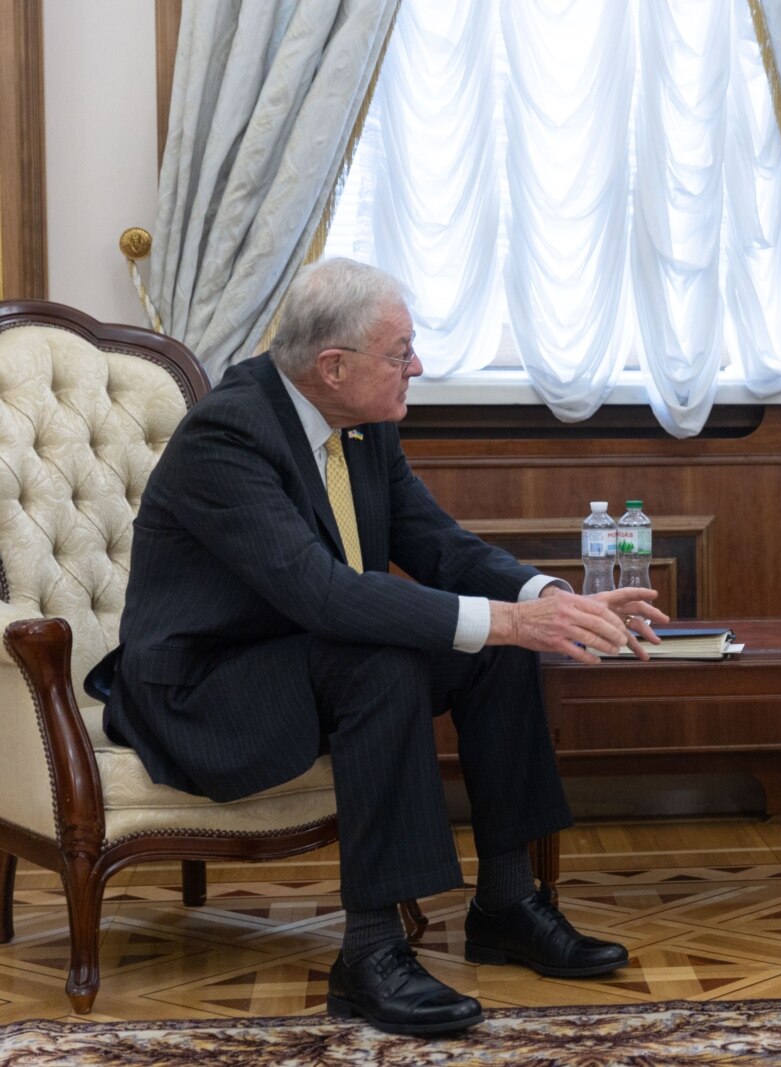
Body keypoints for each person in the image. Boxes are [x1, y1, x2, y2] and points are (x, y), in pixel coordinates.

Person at [92, 257, 670, 1035]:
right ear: (333, 366)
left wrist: (544, 600)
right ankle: (370, 954)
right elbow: (320, 592)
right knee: (386, 656)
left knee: (496, 647)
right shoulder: (227, 437)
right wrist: (505, 618)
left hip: (301, 662)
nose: (417, 366)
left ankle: (507, 903)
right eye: (401, 352)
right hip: (202, 695)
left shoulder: (359, 423)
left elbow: (436, 542)